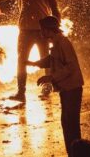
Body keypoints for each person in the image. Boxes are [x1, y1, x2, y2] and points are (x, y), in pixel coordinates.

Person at [0, 0, 61, 102]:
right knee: (22, 61)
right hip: (26, 31)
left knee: (45, 59)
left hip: (42, 32)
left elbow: (55, 11)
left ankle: (46, 87)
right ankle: (21, 92)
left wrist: (55, 30)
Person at [27, 16, 84, 156]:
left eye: (42, 30)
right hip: (67, 88)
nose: (41, 32)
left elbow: (70, 66)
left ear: (48, 30)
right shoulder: (57, 43)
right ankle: (73, 152)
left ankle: (76, 152)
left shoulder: (63, 43)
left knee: (70, 123)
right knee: (68, 123)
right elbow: (52, 60)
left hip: (72, 88)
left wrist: (51, 77)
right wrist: (35, 63)